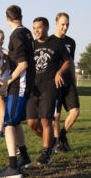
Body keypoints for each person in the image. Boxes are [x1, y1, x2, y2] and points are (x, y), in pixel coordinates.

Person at [0, 5, 34, 178]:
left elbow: (23, 63)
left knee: (8, 123)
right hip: (26, 83)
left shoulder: (16, 34)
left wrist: (9, 80)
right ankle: (24, 158)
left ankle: (13, 168)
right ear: (21, 16)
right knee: (15, 122)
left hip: (20, 84)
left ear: (7, 18)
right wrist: (8, 57)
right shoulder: (26, 32)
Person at [26, 17, 71, 165]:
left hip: (50, 87)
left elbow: (67, 60)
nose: (36, 31)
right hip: (33, 88)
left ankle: (46, 154)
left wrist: (59, 73)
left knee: (46, 120)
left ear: (46, 27)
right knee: (32, 123)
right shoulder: (31, 45)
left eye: (38, 27)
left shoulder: (56, 43)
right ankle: (52, 142)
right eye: (34, 28)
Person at [52, 12, 80, 154]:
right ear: (56, 23)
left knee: (75, 111)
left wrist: (74, 82)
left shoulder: (71, 42)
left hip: (68, 82)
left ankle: (62, 136)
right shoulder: (49, 41)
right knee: (56, 115)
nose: (65, 27)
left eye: (67, 24)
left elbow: (71, 63)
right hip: (54, 84)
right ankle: (57, 144)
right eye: (62, 24)